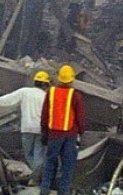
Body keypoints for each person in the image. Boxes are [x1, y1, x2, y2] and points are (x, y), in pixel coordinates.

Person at [0, 70, 50, 175]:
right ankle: (38, 175)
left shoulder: (25, 92)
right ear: (45, 84)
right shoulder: (47, 96)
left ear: (35, 82)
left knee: (28, 154)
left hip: (27, 128)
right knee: (38, 154)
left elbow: (9, 99)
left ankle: (36, 175)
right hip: (41, 129)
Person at [39, 64, 85, 195]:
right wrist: (81, 132)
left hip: (54, 133)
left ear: (59, 78)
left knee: (50, 162)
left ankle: (44, 189)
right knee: (68, 165)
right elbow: (80, 116)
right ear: (72, 80)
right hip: (70, 135)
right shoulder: (76, 95)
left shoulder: (51, 92)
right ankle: (63, 191)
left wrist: (44, 132)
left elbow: (45, 114)